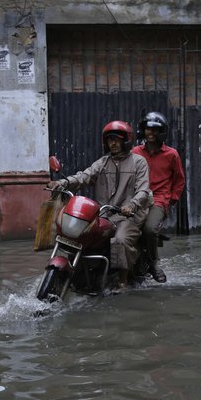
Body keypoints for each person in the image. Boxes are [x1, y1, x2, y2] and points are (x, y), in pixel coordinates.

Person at [47, 120, 152, 290]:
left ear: (126, 141)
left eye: (117, 139)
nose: (113, 143)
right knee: (79, 234)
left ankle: (122, 280)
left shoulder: (138, 162)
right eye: (110, 140)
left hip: (128, 216)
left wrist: (131, 206)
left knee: (120, 239)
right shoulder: (103, 162)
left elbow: (143, 190)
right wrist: (63, 183)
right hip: (104, 215)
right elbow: (84, 176)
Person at [131, 111, 186, 283]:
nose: (151, 133)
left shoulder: (172, 154)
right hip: (137, 198)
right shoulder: (135, 152)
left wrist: (171, 200)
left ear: (161, 132)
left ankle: (154, 264)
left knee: (149, 229)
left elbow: (179, 180)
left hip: (159, 200)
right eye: (148, 129)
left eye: (155, 130)